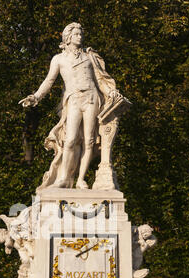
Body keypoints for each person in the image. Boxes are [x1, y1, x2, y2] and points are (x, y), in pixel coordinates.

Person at [20, 22, 121, 189]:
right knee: (70, 139)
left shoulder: (89, 57)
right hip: (73, 99)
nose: (80, 37)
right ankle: (64, 178)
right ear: (67, 37)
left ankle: (81, 179)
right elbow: (49, 81)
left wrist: (110, 92)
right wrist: (36, 96)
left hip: (91, 98)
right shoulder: (59, 59)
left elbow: (99, 80)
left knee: (89, 140)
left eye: (80, 34)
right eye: (76, 34)